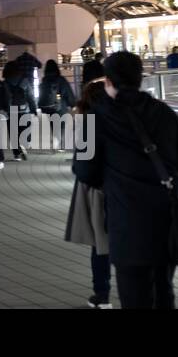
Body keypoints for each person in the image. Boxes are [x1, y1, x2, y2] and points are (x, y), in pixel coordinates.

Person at [72, 51, 178, 309]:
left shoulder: (93, 120)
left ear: (108, 81)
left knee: (134, 293)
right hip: (167, 217)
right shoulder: (163, 112)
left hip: (125, 219)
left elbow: (84, 171)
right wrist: (173, 189)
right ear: (140, 78)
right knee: (164, 289)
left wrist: (111, 182)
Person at [65, 74, 112, 308]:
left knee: (101, 244)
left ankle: (102, 295)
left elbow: (80, 166)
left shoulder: (89, 123)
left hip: (101, 191)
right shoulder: (128, 117)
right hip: (132, 190)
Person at [37, 59, 76, 149]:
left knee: (53, 123)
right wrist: (72, 104)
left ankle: (56, 139)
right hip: (60, 106)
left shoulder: (44, 80)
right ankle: (59, 142)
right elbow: (68, 93)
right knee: (62, 123)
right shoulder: (61, 79)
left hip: (47, 106)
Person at [2, 60, 36, 159]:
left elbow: (2, 98)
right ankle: (24, 143)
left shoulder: (5, 83)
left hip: (10, 111)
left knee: (13, 133)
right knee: (25, 130)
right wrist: (34, 109)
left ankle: (17, 154)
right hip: (24, 110)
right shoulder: (24, 81)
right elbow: (30, 96)